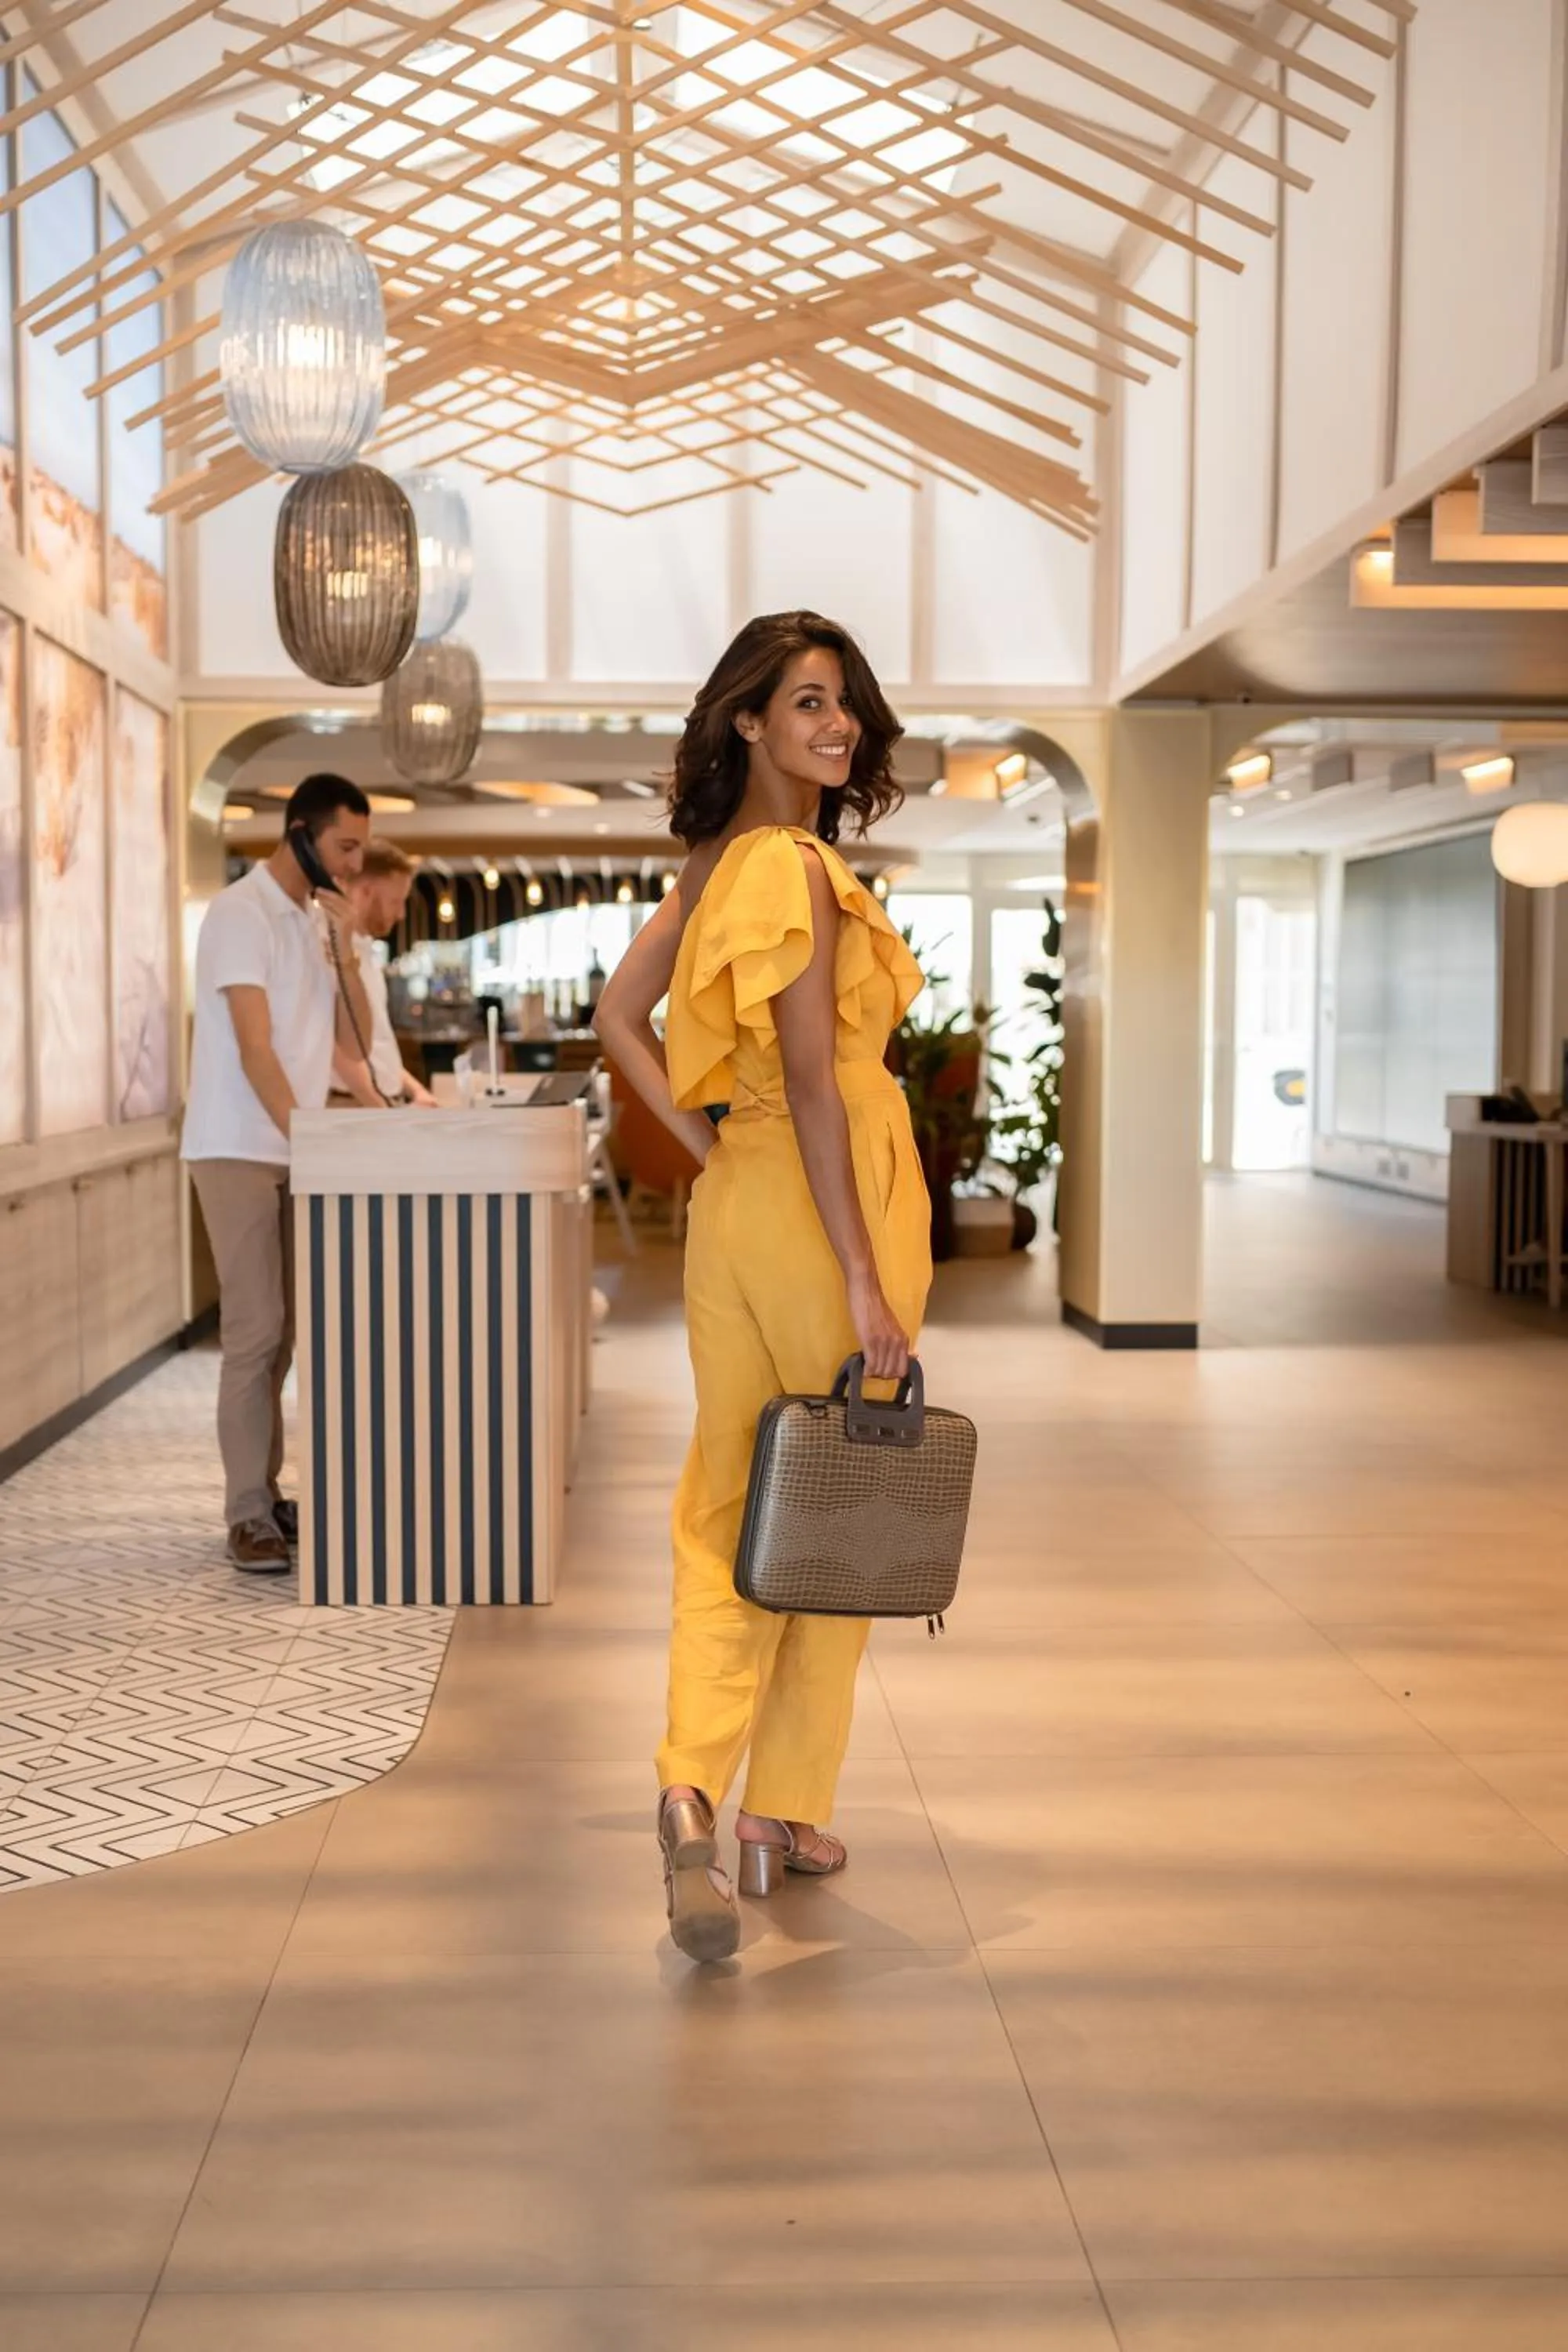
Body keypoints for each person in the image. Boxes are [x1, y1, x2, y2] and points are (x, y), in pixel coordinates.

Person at [594, 611, 931, 1964]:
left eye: (843, 703)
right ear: (749, 720)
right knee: (842, 1497)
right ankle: (780, 1811)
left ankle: (692, 1785)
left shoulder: (712, 862)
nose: (837, 724)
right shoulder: (791, 865)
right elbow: (809, 1077)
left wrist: (706, 1157)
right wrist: (864, 1278)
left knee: (728, 1499)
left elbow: (624, 1019)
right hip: (829, 1197)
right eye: (806, 703)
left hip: (742, 1206)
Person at [182, 774, 374, 1573]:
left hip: (295, 1146)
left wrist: (349, 945)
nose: (356, 865)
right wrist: (304, 1136)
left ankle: (265, 1491)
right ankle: (245, 1515)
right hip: (238, 1143)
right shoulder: (240, 913)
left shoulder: (309, 920)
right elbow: (255, 1045)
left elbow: (344, 1038)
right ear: (299, 834)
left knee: (288, 1332)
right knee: (253, 1332)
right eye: (345, 847)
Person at [329, 837, 437, 1109]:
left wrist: (416, 1090)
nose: (401, 914)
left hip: (381, 1104)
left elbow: (379, 1048)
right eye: (395, 901)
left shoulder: (366, 952)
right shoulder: (328, 950)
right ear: (364, 892)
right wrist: (380, 1109)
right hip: (353, 1106)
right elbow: (336, 1049)